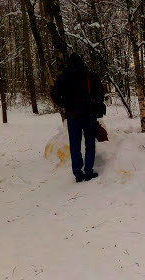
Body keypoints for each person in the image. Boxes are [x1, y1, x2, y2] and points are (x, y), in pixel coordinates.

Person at [51, 53, 105, 183]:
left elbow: (54, 94)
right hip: (88, 115)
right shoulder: (90, 76)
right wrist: (93, 102)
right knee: (89, 144)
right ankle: (88, 172)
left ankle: (77, 173)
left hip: (72, 116)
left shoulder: (62, 78)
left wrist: (65, 104)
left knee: (74, 145)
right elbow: (100, 93)